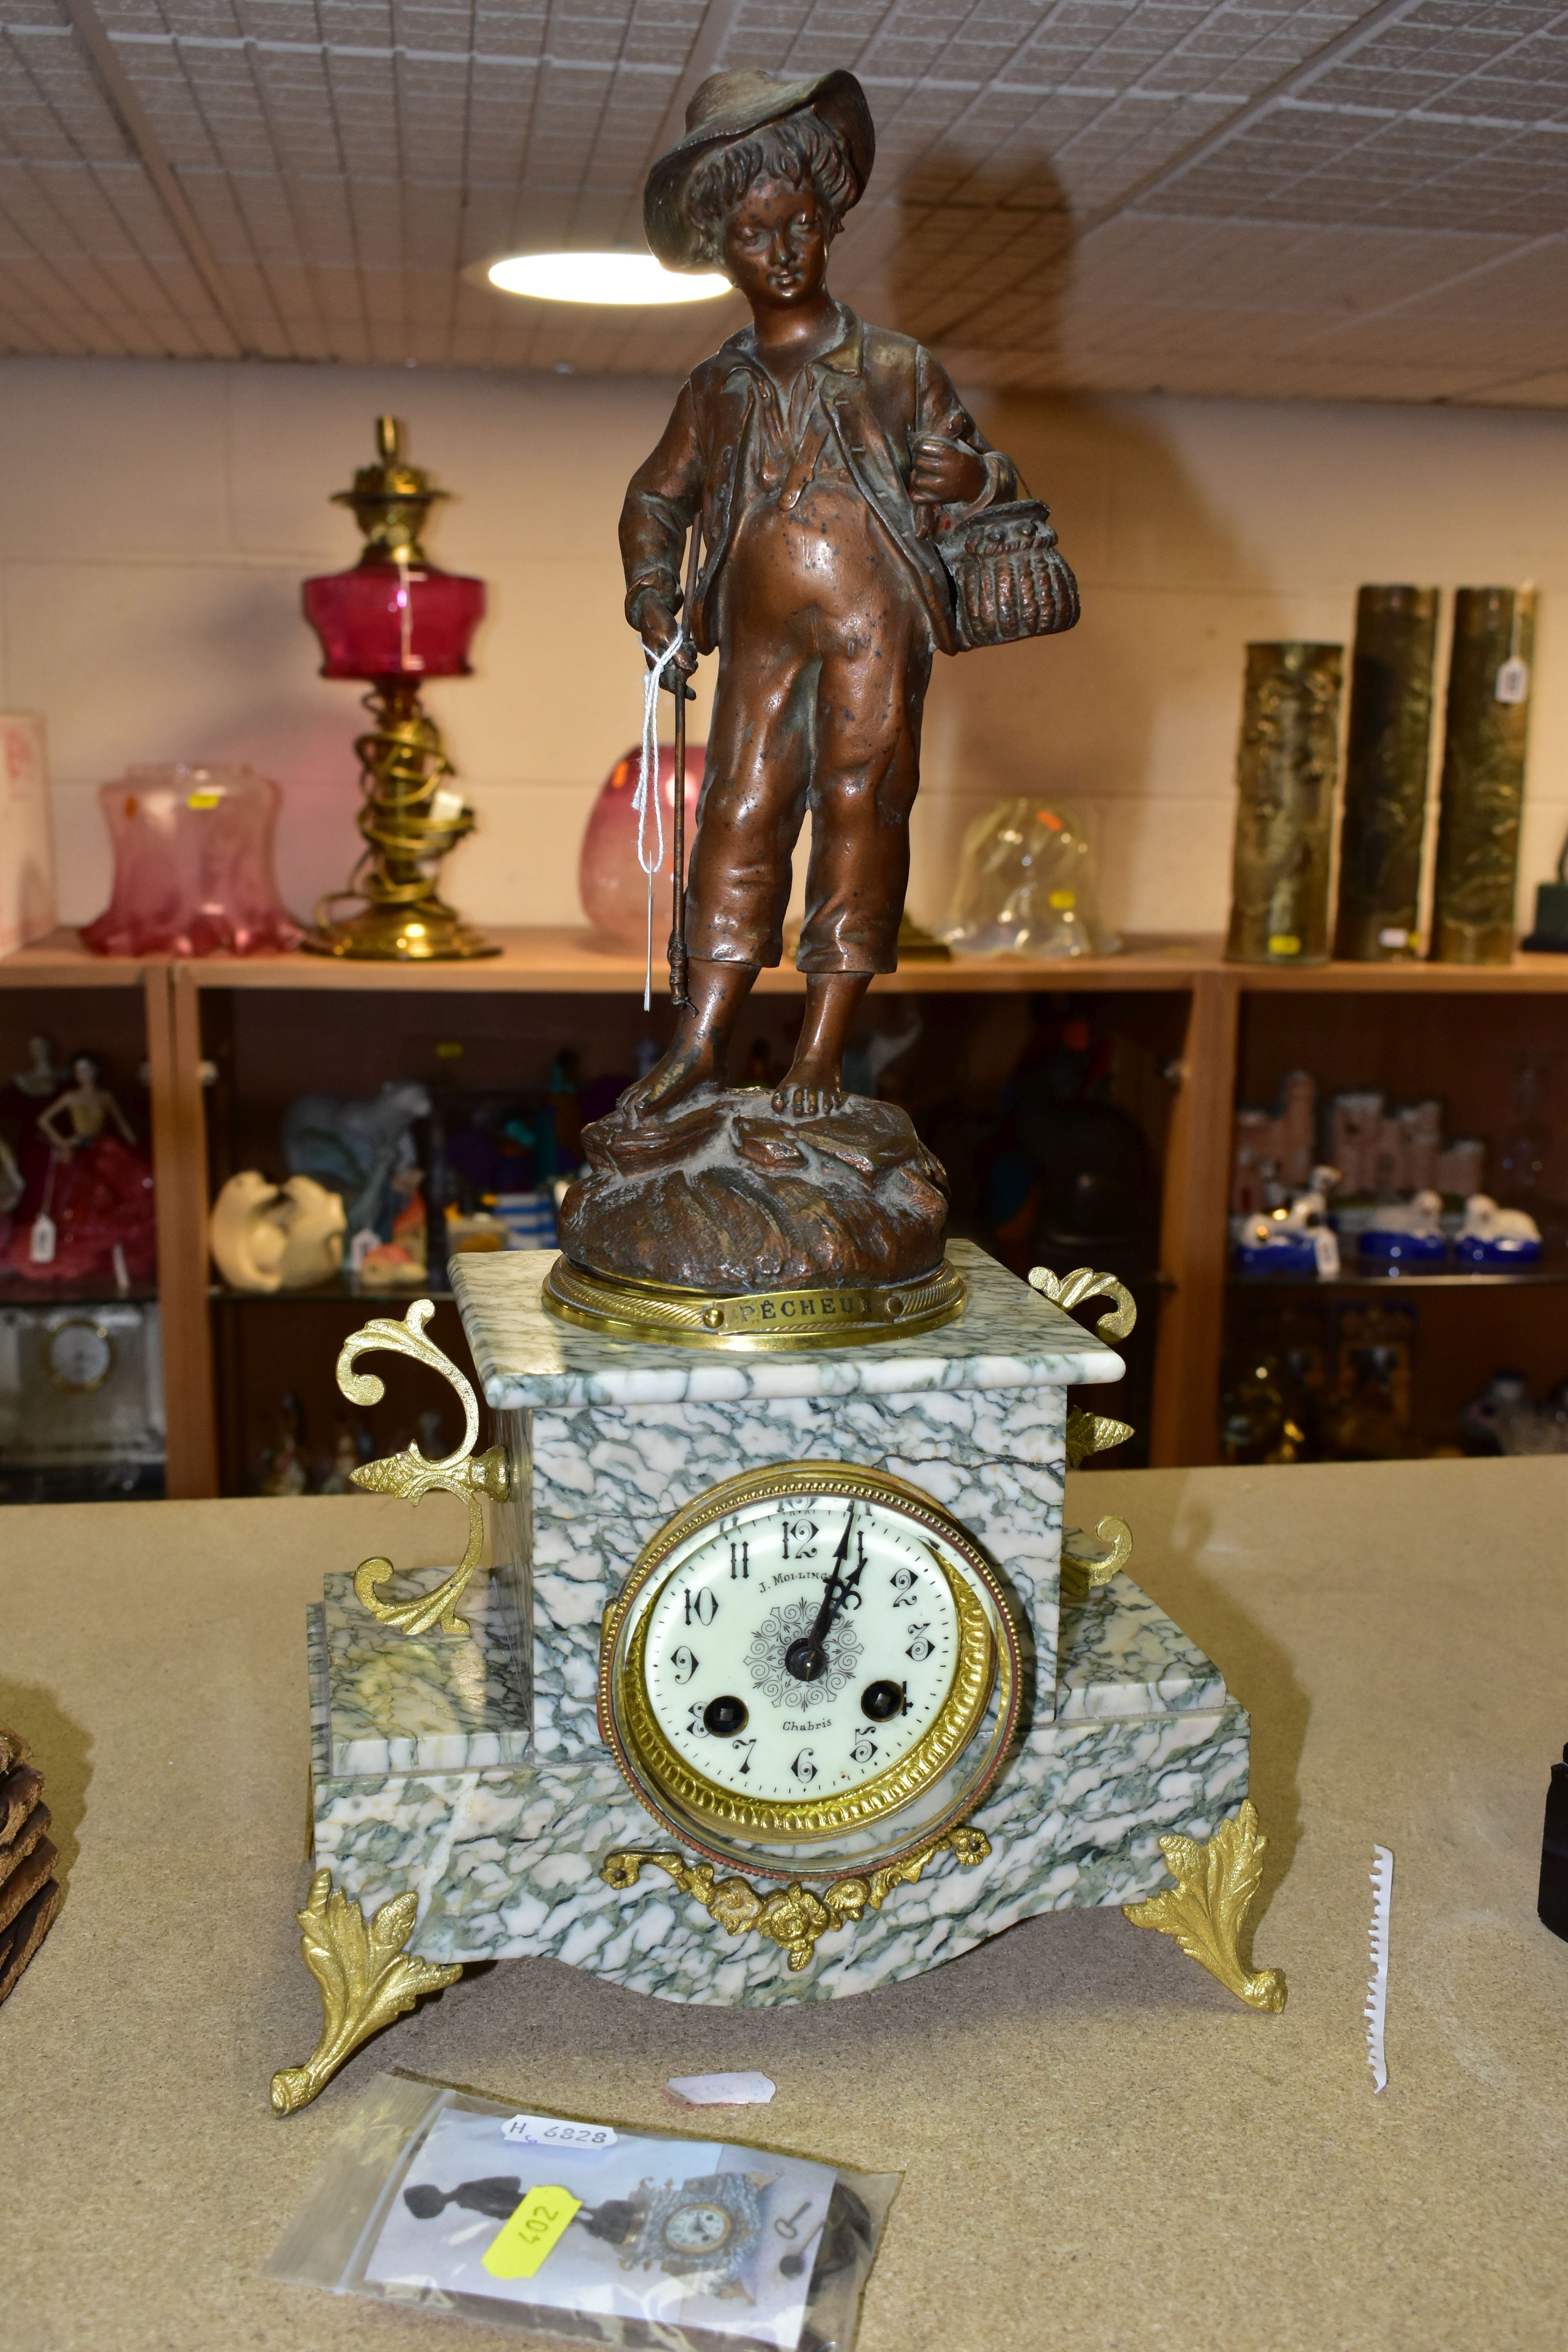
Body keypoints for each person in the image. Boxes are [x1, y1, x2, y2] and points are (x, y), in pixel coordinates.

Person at [619, 67, 1027, 1120]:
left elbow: (985, 480)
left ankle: (820, 1053)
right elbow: (655, 499)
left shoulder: (896, 369)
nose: (784, 251)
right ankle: (702, 1043)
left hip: (873, 626)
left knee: (861, 811)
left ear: (829, 221)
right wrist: (653, 592)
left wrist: (974, 480)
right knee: (738, 816)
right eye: (756, 233)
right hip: (759, 638)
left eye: (799, 223)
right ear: (724, 250)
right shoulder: (717, 388)